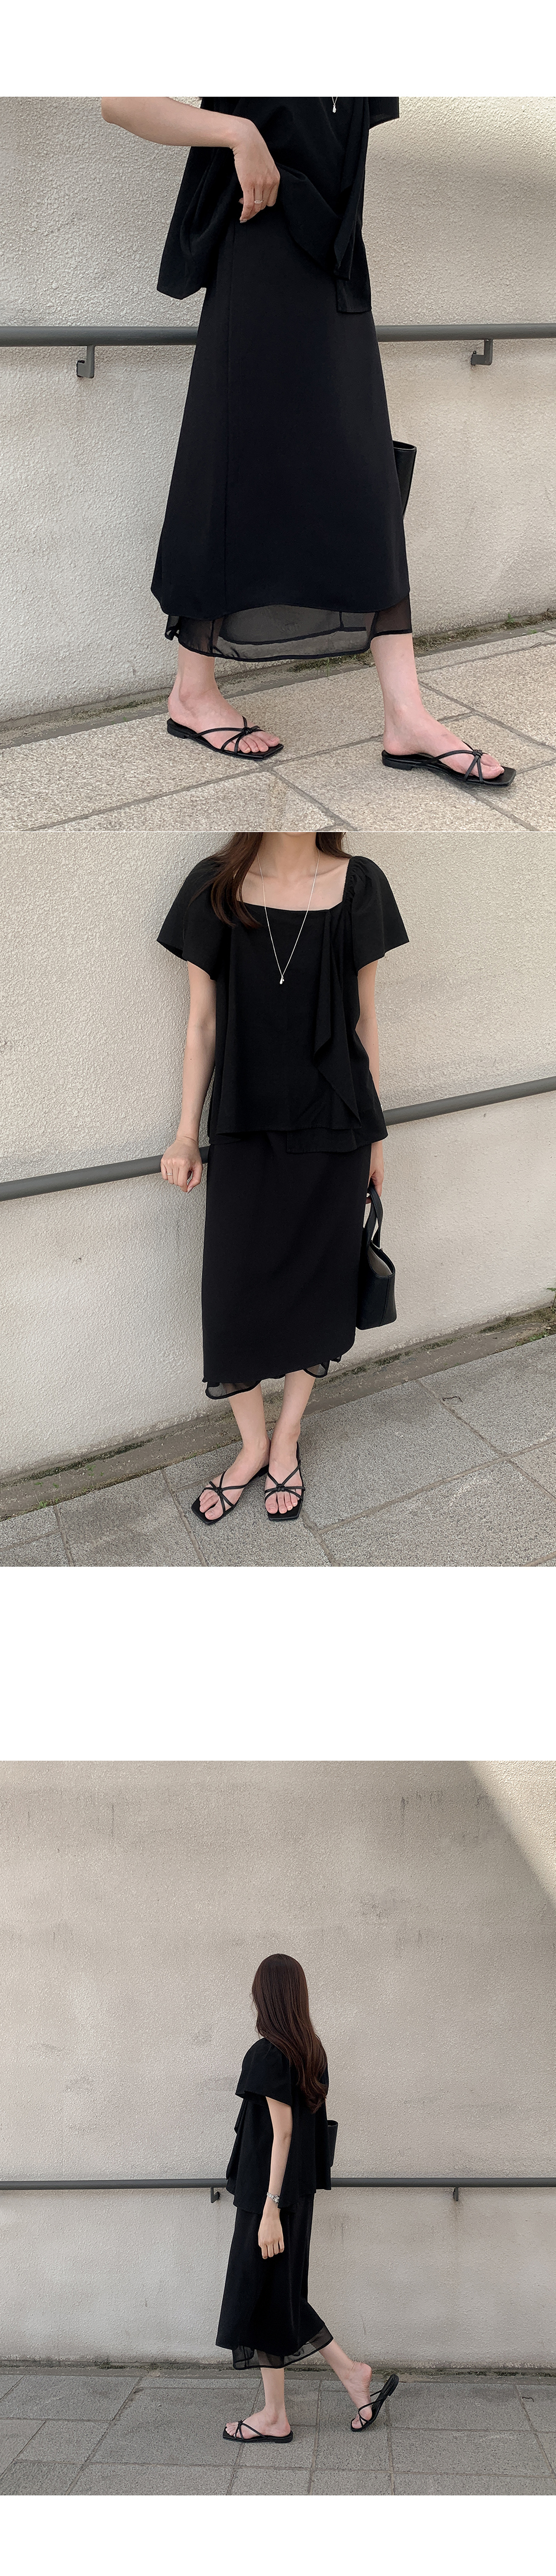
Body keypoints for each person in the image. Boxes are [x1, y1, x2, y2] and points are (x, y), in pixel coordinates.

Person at [101, 96, 514, 789]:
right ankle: (192, 693)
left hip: (335, 268)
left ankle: (406, 714)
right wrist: (237, 132)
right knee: (232, 470)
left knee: (365, 485)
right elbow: (121, 101)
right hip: (258, 260)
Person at [158, 828, 408, 1523]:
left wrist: (375, 1137)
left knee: (319, 1288)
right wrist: (185, 1133)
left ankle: (287, 1439)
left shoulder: (360, 885)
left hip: (338, 1128)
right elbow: (202, 1024)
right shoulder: (213, 886)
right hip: (244, 1123)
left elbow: (364, 1022)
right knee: (231, 1293)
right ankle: (250, 1445)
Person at [217, 1951, 399, 2442]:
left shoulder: (267, 2054)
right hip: (293, 2198)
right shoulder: (310, 2052)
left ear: (266, 1996)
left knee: (264, 2297)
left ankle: (277, 2415)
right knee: (279, 2296)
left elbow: (283, 2134)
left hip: (270, 2201)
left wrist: (269, 2209)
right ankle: (348, 2375)